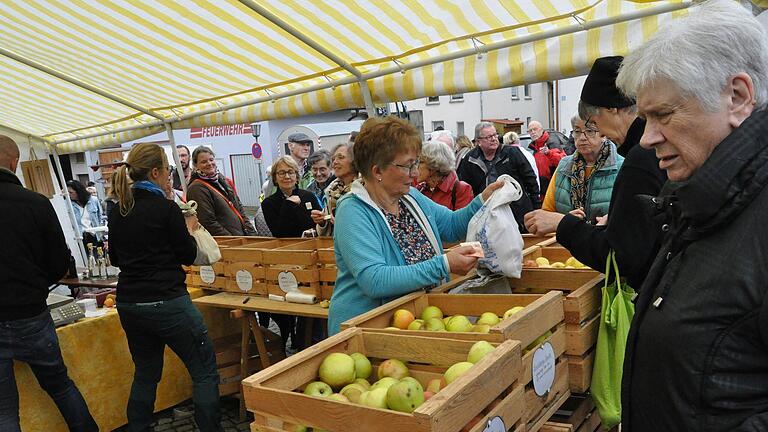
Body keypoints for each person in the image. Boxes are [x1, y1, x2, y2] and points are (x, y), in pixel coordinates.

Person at [615, 2, 768, 430]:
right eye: (644, 117)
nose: (645, 138)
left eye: (663, 114)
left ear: (737, 97)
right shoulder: (700, 202)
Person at [328, 116, 503, 334]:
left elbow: (451, 225)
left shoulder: (410, 197)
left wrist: (482, 200)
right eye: (407, 166)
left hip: (418, 322)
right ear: (377, 171)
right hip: (368, 330)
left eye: (415, 164)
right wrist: (444, 265)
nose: (415, 173)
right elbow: (374, 279)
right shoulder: (353, 211)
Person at [524, 55, 667, 290]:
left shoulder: (640, 157)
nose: (596, 131)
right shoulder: (651, 148)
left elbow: (622, 256)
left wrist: (563, 224)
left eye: (592, 123)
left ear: (612, 109)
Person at [108, 143, 223, 432]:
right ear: (156, 172)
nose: (170, 176)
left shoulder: (118, 209)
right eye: (167, 171)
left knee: (146, 373)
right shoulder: (166, 208)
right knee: (204, 371)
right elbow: (187, 255)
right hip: (167, 301)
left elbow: (115, 258)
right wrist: (191, 228)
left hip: (130, 303)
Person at [0, 135, 97, 432]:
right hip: (31, 312)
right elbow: (59, 264)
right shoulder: (36, 203)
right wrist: (36, 283)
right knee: (60, 385)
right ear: (15, 162)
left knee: (3, 409)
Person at [532, 114, 623, 226]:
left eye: (590, 131)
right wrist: (565, 220)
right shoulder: (564, 166)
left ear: (604, 135)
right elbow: (547, 213)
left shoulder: (622, 168)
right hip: (568, 241)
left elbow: (631, 215)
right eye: (577, 131)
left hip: (605, 240)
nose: (582, 137)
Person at [457, 121, 540, 232]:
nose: (494, 139)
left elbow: (530, 180)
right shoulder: (470, 159)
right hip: (486, 217)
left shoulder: (512, 153)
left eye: (495, 135)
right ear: (478, 142)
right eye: (489, 137)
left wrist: (536, 207)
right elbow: (466, 189)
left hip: (517, 214)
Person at [186, 146, 256, 236]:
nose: (209, 163)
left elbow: (239, 208)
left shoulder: (223, 180)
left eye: (211, 159)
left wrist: (252, 233)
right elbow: (208, 222)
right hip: (227, 243)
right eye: (204, 162)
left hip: (241, 237)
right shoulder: (196, 188)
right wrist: (233, 241)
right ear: (196, 165)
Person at [261, 156, 321, 238]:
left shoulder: (309, 196)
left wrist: (322, 221)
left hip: (313, 247)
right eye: (282, 173)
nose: (287, 176)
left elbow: (318, 226)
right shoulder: (268, 203)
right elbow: (279, 233)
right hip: (287, 248)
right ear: (275, 178)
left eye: (290, 172)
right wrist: (288, 204)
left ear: (296, 176)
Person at [311, 142, 358, 236]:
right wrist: (322, 222)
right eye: (333, 159)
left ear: (354, 161)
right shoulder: (331, 190)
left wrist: (343, 225)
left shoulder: (365, 188)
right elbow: (327, 228)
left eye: (341, 157)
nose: (335, 162)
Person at [416, 139, 473, 210]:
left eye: (420, 162)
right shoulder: (420, 189)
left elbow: (461, 220)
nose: (415, 166)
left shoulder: (461, 189)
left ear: (434, 166)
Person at [527, 120, 566, 194]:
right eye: (530, 131)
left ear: (541, 130)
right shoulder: (534, 147)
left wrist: (549, 153)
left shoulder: (552, 143)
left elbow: (563, 162)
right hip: (541, 189)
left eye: (535, 129)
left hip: (553, 189)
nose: (532, 132)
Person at [67, 179, 104, 248]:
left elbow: (100, 216)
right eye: (68, 192)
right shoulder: (68, 204)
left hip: (95, 235)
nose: (69, 195)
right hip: (80, 238)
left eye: (71, 192)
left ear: (78, 191)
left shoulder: (94, 200)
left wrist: (100, 231)